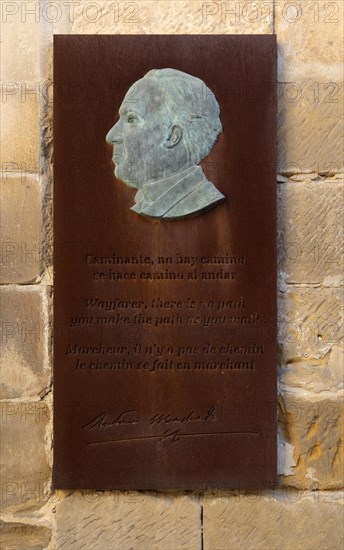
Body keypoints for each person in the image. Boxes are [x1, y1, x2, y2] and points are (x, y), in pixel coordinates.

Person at [106, 68, 225, 220]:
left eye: (131, 119)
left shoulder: (201, 198)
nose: (111, 136)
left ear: (172, 136)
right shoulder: (145, 200)